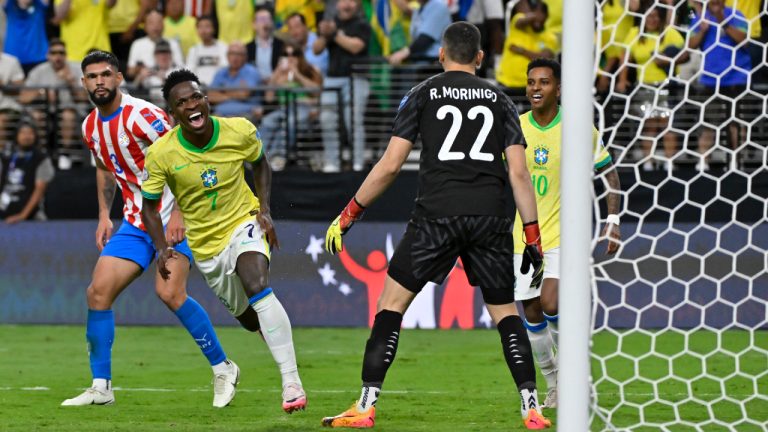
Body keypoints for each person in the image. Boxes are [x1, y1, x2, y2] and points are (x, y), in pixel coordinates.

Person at [321, 22, 551, 430]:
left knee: (390, 305)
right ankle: (531, 407)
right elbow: (518, 173)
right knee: (504, 312)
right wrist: (532, 235)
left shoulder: (422, 93)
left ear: (441, 55)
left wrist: (349, 213)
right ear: (480, 57)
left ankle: (366, 405)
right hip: (490, 216)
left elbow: (391, 164)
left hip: (437, 214)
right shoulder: (501, 99)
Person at [61, 51, 239, 408]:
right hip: (135, 221)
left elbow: (184, 153)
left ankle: (223, 368)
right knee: (98, 293)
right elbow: (104, 167)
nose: (99, 81)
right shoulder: (90, 127)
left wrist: (180, 214)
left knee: (169, 292)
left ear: (119, 78)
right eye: (92, 76)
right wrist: (103, 214)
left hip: (176, 216)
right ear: (83, 82)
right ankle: (101, 386)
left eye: (105, 74)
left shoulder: (143, 115)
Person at [140, 69, 308, 413]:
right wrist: (160, 247)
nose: (191, 105)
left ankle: (291, 382)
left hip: (243, 221)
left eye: (196, 97)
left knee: (257, 283)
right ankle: (254, 359)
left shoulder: (239, 130)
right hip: (206, 246)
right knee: (250, 320)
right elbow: (149, 207)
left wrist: (264, 210)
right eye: (182, 102)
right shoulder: (161, 154)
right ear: (173, 114)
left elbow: (260, 164)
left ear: (206, 99)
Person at [513, 58, 622, 410]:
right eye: (531, 82)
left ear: (558, 89)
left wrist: (613, 219)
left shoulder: (577, 128)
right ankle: (555, 383)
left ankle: (575, 377)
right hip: (523, 237)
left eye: (544, 82)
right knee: (531, 313)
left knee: (551, 302)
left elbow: (609, 174)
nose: (536, 88)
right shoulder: (516, 127)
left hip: (563, 235)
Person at [616, 5, 687, 171]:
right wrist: (622, 79)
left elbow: (685, 54)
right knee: (649, 125)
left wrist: (664, 60)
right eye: (649, 16)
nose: (652, 20)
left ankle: (669, 162)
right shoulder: (635, 33)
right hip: (644, 86)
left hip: (667, 85)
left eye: (656, 16)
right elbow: (625, 57)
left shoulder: (669, 32)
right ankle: (648, 161)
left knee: (668, 125)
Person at [688, 0, 751, 171]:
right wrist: (702, 30)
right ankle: (703, 161)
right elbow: (690, 45)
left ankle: (735, 162)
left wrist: (723, 21)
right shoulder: (700, 18)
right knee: (708, 121)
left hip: (736, 78)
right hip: (710, 79)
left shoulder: (736, 15)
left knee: (735, 122)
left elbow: (745, 41)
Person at [313, 0, 371, 172]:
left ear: (357, 4)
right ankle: (332, 162)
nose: (347, 5)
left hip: (357, 79)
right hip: (332, 79)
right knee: (326, 119)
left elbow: (355, 47)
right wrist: (324, 35)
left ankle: (357, 163)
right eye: (344, 1)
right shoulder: (331, 24)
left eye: (351, 1)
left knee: (354, 121)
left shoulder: (362, 24)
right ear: (337, 4)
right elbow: (316, 49)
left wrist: (334, 34)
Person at [20, 38, 87, 168]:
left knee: (68, 115)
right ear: (48, 55)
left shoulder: (76, 69)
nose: (58, 57)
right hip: (44, 110)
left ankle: (64, 154)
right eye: (54, 53)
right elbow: (23, 97)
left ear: (65, 55)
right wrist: (42, 92)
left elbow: (84, 98)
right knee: (36, 116)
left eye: (61, 53)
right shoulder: (38, 71)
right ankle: (41, 154)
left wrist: (71, 83)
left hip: (69, 110)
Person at [259, 42, 323, 171]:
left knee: (290, 122)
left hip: (303, 109)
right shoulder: (279, 74)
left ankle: (278, 156)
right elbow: (269, 98)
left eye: (294, 54)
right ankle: (260, 158)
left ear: (300, 56)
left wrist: (297, 75)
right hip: (283, 109)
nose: (290, 57)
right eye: (286, 54)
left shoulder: (310, 70)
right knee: (267, 121)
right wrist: (276, 74)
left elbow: (317, 93)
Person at [496, 0, 558, 107]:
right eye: (534, 14)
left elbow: (545, 58)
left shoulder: (550, 37)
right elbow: (521, 21)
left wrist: (521, 51)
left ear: (547, 16)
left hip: (533, 87)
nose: (537, 19)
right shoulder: (518, 24)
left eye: (541, 14)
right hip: (506, 82)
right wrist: (535, 16)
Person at [0, 120, 55, 223]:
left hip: (31, 217)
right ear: (16, 135)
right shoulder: (5, 156)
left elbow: (39, 190)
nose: (26, 136)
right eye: (23, 133)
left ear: (35, 136)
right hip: (3, 211)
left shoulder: (42, 159)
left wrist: (22, 216)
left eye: (30, 133)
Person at [207, 41, 262, 120]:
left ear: (245, 57)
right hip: (221, 115)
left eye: (238, 54)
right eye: (232, 54)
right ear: (227, 56)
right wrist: (233, 94)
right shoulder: (221, 72)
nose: (235, 58)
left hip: (246, 115)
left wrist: (222, 92)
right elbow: (210, 96)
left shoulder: (251, 71)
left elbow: (244, 94)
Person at [127, 10, 184, 81]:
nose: (155, 26)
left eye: (158, 22)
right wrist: (140, 70)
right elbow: (130, 72)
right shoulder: (137, 44)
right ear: (145, 26)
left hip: (169, 82)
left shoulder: (173, 43)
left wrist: (166, 74)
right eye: (151, 23)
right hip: (146, 85)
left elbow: (181, 68)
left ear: (163, 25)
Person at [246, 6, 285, 85]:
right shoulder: (247, 48)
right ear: (254, 25)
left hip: (276, 85)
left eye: (267, 19)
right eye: (261, 19)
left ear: (272, 23)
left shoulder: (282, 45)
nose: (265, 23)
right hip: (254, 86)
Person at [186, 15, 228, 86]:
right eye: (200, 27)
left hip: (218, 87)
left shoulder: (223, 47)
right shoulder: (193, 50)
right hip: (199, 88)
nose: (203, 30)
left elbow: (225, 69)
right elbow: (189, 71)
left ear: (214, 29)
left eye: (207, 26)